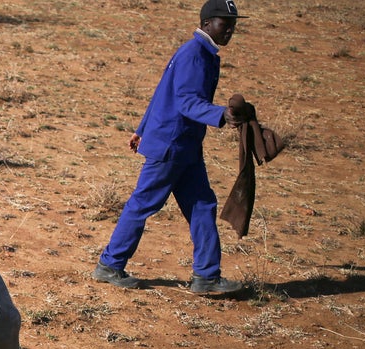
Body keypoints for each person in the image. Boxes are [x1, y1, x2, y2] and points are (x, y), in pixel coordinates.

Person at [93, 0, 249, 295]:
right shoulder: (195, 54)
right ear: (206, 24)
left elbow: (161, 91)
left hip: (184, 145)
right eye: (223, 24)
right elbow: (186, 101)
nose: (229, 30)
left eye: (233, 26)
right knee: (143, 204)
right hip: (172, 144)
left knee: (203, 205)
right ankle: (109, 265)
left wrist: (141, 129)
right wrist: (222, 115)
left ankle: (206, 276)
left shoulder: (200, 53)